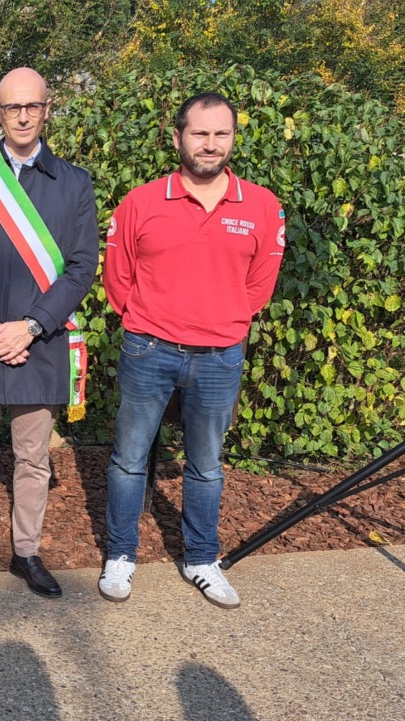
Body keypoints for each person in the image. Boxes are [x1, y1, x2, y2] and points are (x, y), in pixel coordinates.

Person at [100, 92, 284, 609]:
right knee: (130, 459)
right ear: (178, 136)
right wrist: (148, 322)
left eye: (221, 133)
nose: (210, 144)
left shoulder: (262, 207)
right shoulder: (140, 202)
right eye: (200, 133)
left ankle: (202, 558)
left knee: (206, 465)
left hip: (220, 356)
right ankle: (120, 554)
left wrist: (222, 320)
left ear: (232, 139)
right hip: (148, 350)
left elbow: (260, 283)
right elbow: (119, 278)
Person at [0, 68, 98, 598]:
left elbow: (81, 268)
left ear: (47, 109)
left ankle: (27, 553)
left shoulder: (74, 183)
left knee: (33, 458)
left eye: (32, 106)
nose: (23, 116)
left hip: (39, 342)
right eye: (12, 108)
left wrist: (29, 326)